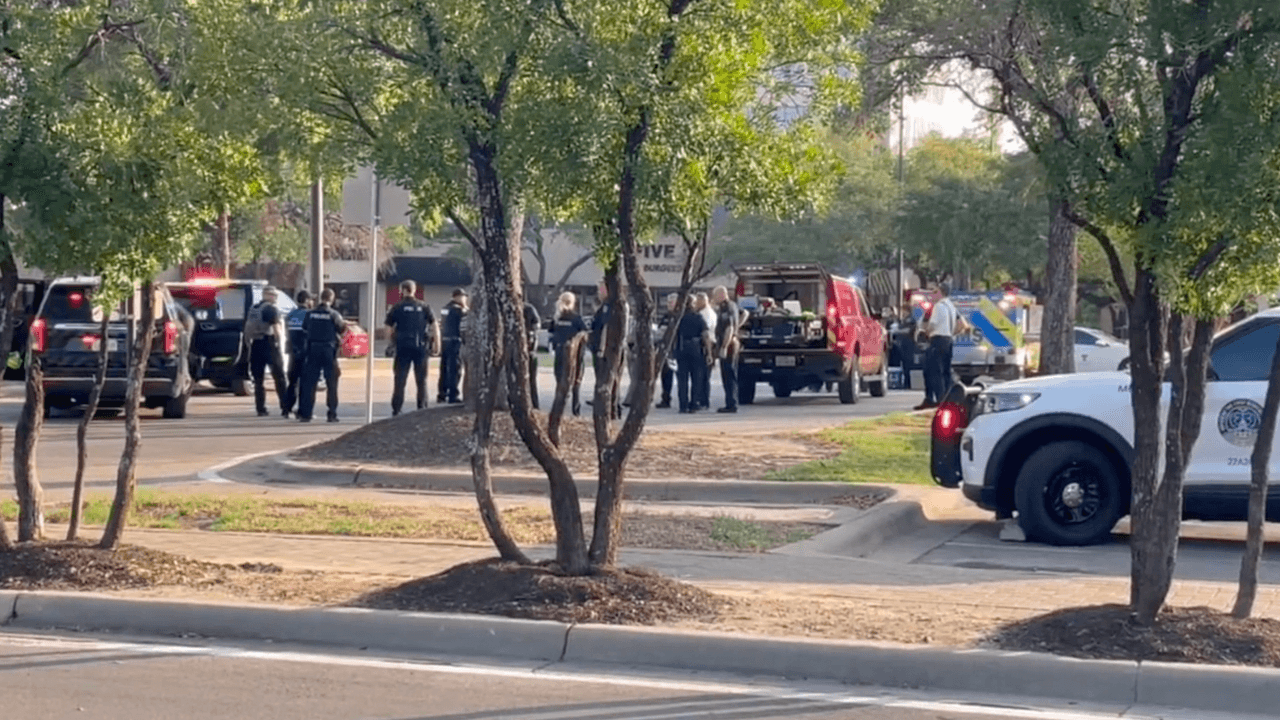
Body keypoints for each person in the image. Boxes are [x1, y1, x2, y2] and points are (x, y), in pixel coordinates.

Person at [385, 279, 439, 416]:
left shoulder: (397, 307)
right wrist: (437, 344)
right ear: (414, 290)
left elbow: (388, 327)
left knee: (400, 379)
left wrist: (390, 343)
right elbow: (434, 326)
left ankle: (396, 409)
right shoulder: (424, 306)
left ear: (402, 290)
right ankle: (422, 407)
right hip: (420, 347)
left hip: (402, 347)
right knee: (422, 380)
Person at [297, 288, 347, 423]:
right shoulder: (334, 314)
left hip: (313, 349)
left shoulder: (310, 313)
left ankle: (306, 414)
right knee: (332, 383)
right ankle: (332, 414)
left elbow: (304, 328)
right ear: (332, 299)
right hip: (328, 350)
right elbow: (342, 329)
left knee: (309, 383)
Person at [917, 283, 962, 411]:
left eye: (935, 291)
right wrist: (951, 333)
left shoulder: (938, 306)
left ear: (941, 292)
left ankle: (936, 399)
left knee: (933, 371)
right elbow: (960, 324)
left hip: (937, 339)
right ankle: (947, 400)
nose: (933, 294)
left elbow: (933, 324)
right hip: (948, 340)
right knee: (945, 371)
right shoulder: (951, 306)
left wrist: (924, 331)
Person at [246, 286, 287, 417]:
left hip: (256, 344)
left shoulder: (253, 309)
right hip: (269, 343)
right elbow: (277, 329)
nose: (276, 298)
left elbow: (247, 329)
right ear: (268, 295)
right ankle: (285, 407)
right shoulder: (271, 309)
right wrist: (280, 345)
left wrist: (248, 344)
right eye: (274, 295)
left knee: (258, 380)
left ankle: (260, 408)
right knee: (279, 376)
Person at [588, 282, 625, 419]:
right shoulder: (603, 306)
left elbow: (606, 328)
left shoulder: (613, 306)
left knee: (610, 379)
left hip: (607, 349)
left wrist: (602, 349)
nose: (599, 293)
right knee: (603, 378)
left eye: (601, 290)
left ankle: (613, 408)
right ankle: (604, 405)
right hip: (599, 347)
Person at [550, 291, 588, 416]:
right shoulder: (576, 318)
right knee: (576, 382)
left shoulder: (557, 318)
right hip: (574, 355)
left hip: (559, 353)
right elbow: (584, 334)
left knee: (560, 381)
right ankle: (575, 410)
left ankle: (558, 410)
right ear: (573, 303)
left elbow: (551, 334)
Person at [712, 285, 746, 413]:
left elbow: (729, 328)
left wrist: (724, 346)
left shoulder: (728, 307)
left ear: (722, 294)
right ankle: (730, 403)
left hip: (729, 344)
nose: (714, 298)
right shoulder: (730, 306)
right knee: (726, 375)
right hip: (729, 342)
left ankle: (732, 404)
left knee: (729, 375)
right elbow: (745, 313)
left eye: (715, 295)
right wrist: (739, 325)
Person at [675, 295, 711, 414]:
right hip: (696, 349)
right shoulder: (698, 317)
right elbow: (706, 335)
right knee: (697, 379)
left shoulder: (678, 317)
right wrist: (709, 353)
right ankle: (694, 404)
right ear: (693, 304)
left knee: (682, 380)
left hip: (681, 349)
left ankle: (683, 405)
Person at [282, 289, 313, 418]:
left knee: (292, 382)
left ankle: (286, 409)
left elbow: (287, 330)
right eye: (311, 299)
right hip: (305, 351)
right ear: (307, 301)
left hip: (292, 351)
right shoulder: (309, 314)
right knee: (304, 383)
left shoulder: (290, 314)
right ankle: (301, 411)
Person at [437, 288, 467, 404]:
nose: (465, 299)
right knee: (455, 369)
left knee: (444, 369)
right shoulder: (459, 310)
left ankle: (442, 394)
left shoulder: (445, 308)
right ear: (457, 297)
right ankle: (453, 395)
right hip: (455, 341)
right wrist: (465, 307)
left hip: (445, 341)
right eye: (463, 297)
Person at [654, 292, 679, 409]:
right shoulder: (666, 316)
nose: (668, 304)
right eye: (668, 302)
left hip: (676, 348)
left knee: (680, 376)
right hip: (665, 349)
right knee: (666, 375)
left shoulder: (679, 316)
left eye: (671, 302)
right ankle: (666, 398)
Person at [693, 292, 716, 410]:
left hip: (707, 345)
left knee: (702, 375)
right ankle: (703, 400)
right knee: (704, 376)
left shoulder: (704, 314)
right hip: (709, 344)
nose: (695, 304)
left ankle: (703, 401)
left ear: (703, 301)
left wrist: (709, 352)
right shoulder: (710, 312)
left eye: (697, 301)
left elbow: (705, 333)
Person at [523, 301, 542, 409]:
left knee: (531, 381)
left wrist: (531, 334)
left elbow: (536, 325)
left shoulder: (528, 309)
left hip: (530, 353)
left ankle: (535, 405)